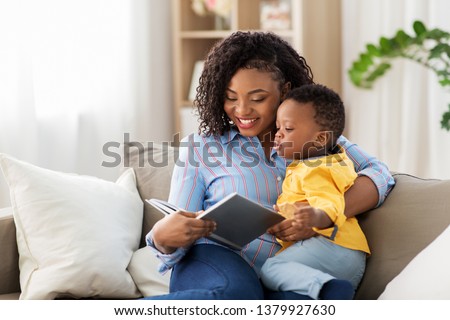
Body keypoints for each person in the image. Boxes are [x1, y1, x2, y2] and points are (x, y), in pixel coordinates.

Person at [145, 31, 394, 300]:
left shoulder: (316, 139)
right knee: (237, 294)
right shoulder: (201, 147)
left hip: (286, 272)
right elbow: (177, 225)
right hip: (214, 260)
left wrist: (322, 217)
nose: (242, 110)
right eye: (230, 97)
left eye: (257, 98)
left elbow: (379, 174)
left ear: (284, 90)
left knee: (315, 300)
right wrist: (162, 237)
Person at [260, 84, 370, 300]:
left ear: (320, 139)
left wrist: (316, 217)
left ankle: (327, 288)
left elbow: (329, 202)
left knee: (270, 269)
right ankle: (328, 290)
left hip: (333, 246)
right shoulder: (333, 160)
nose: (279, 135)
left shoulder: (316, 169)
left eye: (288, 129)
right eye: (278, 127)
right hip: (343, 258)